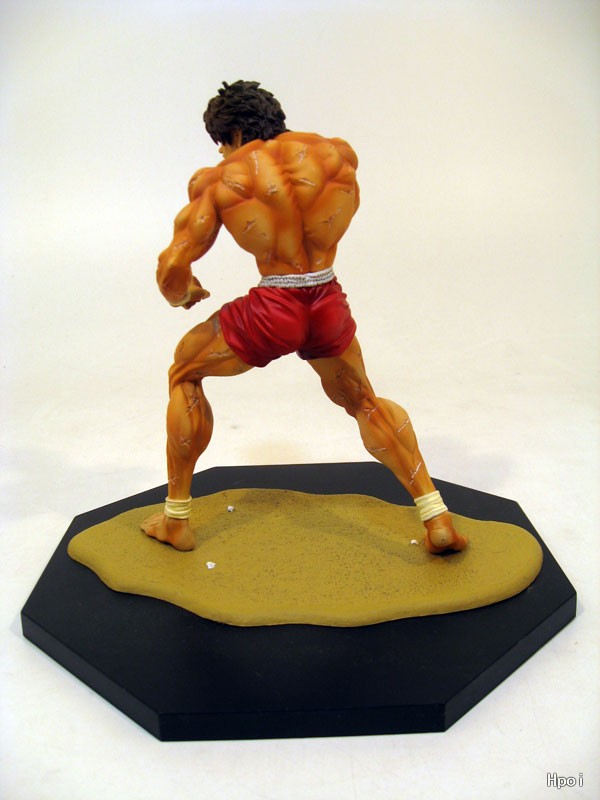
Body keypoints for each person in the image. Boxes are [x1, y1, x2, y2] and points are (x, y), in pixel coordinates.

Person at [141, 80, 467, 555]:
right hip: (327, 300)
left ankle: (176, 520)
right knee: (365, 401)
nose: (223, 152)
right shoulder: (338, 156)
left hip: (274, 308)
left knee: (184, 371)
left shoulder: (221, 178)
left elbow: (172, 266)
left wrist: (182, 294)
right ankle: (436, 516)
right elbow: (343, 212)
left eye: (222, 143)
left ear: (232, 134)